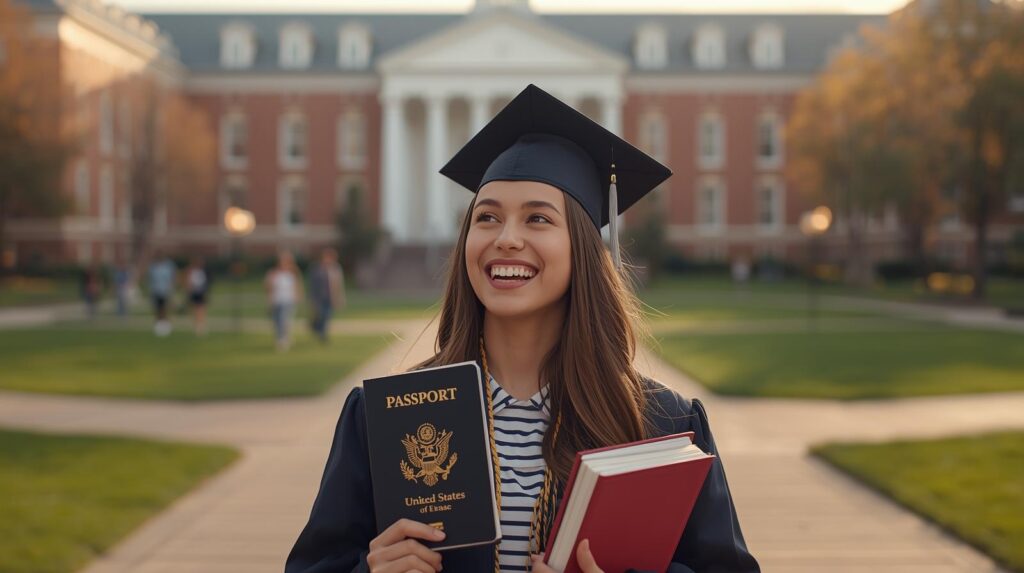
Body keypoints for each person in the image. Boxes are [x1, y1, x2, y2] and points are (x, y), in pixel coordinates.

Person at [286, 85, 759, 573]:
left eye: (537, 218)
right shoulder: (387, 419)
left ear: (582, 247)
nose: (506, 239)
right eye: (486, 217)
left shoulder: (661, 427)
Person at [266, 250, 303, 351]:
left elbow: (297, 287)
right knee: (277, 321)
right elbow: (268, 288)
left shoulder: (293, 274)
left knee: (284, 320)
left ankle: (283, 339)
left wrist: (298, 297)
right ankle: (281, 337)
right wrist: (269, 300)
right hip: (277, 300)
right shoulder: (273, 273)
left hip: (288, 301)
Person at [308, 248, 346, 343]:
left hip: (331, 297)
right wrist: (312, 298)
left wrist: (340, 297)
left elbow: (338, 284)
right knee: (320, 315)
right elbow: (312, 284)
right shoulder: (317, 269)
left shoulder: (335, 269)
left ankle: (323, 333)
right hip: (319, 297)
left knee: (327, 315)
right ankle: (317, 328)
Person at [148, 251, 177, 337]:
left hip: (165, 291)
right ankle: (158, 326)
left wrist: (172, 289)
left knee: (165, 309)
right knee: (157, 309)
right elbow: (151, 279)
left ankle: (167, 325)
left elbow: (172, 278)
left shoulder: (168, 266)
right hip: (156, 290)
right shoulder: (153, 267)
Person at [184, 256, 211, 336]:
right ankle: (197, 324)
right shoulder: (191, 271)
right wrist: (189, 290)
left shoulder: (203, 271)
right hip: (194, 292)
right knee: (195, 308)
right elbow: (189, 282)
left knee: (201, 308)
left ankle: (201, 325)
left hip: (201, 291)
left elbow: (205, 282)